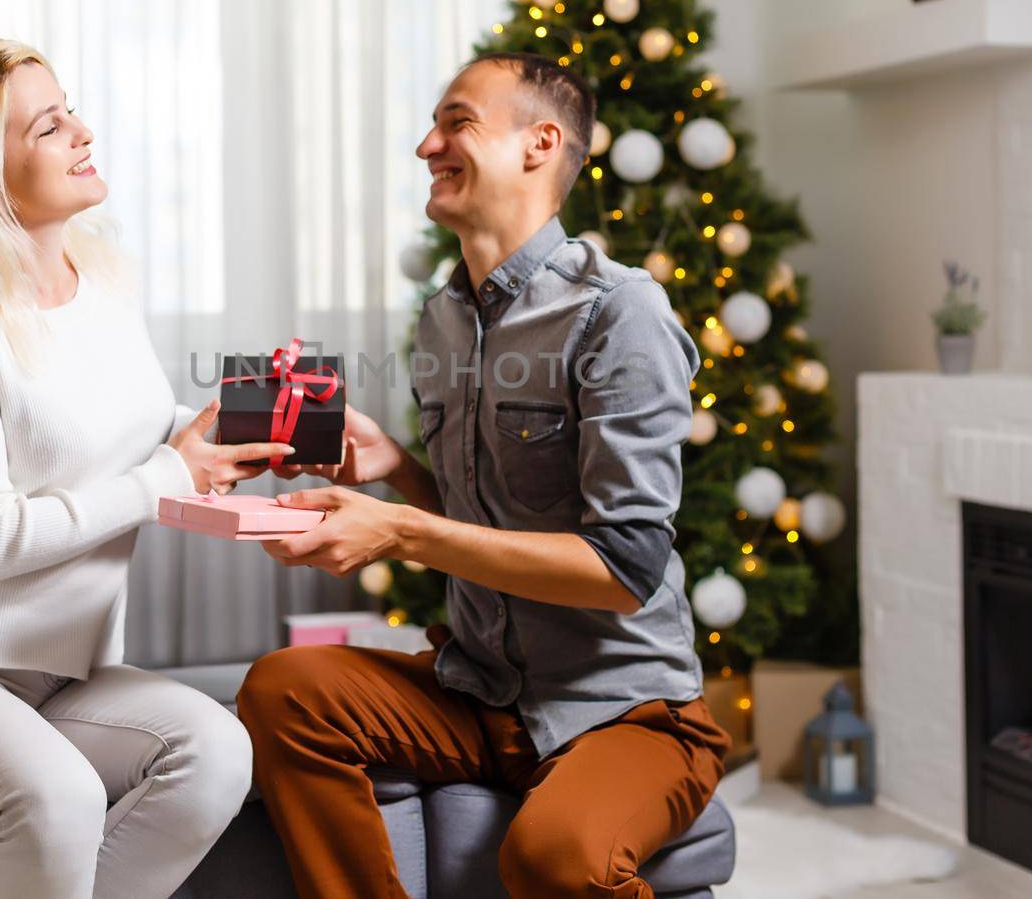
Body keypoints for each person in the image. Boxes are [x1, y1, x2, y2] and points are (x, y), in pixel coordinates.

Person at [237, 51, 730, 899]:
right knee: (286, 689)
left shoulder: (618, 312)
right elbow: (488, 517)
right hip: (479, 691)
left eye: (456, 121)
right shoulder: (442, 317)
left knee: (552, 859)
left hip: (623, 709)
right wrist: (397, 472)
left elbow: (624, 571)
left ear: (541, 142)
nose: (428, 144)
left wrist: (398, 530)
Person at [0, 38, 291, 899]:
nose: (84, 132)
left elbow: (132, 441)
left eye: (68, 110)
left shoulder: (103, 283)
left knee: (216, 751)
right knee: (55, 797)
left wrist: (226, 435)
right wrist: (169, 472)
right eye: (50, 126)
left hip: (62, 678)